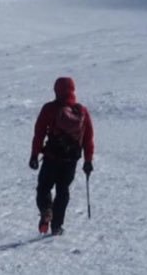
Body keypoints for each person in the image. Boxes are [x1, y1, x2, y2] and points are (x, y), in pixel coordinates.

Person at [29, 77, 95, 236]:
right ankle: (57, 226)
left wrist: (34, 155)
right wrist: (88, 160)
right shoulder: (82, 111)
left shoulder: (50, 109)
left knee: (44, 187)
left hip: (52, 157)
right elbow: (88, 138)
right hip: (70, 161)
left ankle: (46, 210)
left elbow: (39, 133)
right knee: (63, 191)